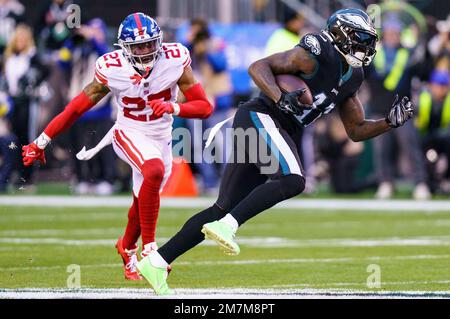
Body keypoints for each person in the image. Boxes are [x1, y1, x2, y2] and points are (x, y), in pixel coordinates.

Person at [135, 9, 414, 295]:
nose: (366, 46)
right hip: (261, 116)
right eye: (361, 38)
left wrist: (388, 123)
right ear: (342, 34)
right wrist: (281, 97)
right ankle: (229, 227)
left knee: (221, 207)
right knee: (293, 179)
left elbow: (355, 129)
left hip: (278, 128)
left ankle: (157, 261)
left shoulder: (353, 75)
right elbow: (258, 67)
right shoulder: (316, 52)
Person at [21, 13, 213, 280]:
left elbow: (205, 107)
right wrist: (41, 140)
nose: (145, 51)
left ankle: (126, 246)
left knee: (142, 200)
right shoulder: (112, 67)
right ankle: (149, 249)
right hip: (128, 130)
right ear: (124, 48)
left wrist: (173, 106)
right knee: (153, 171)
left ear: (159, 41)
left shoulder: (175, 58)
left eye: (149, 44)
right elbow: (75, 108)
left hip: (161, 135)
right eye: (138, 46)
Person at [367, 17, 431, 200]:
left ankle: (420, 183)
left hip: (402, 109)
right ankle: (385, 183)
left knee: (410, 147)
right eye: (390, 33)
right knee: (382, 150)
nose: (393, 36)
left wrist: (423, 48)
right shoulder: (374, 55)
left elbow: (423, 72)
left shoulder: (408, 54)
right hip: (380, 109)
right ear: (384, 35)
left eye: (396, 33)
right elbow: (363, 74)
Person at [59, 18, 116, 195]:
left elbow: (104, 53)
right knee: (80, 146)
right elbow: (62, 61)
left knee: (101, 147)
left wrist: (93, 39)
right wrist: (73, 39)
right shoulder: (78, 50)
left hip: (100, 109)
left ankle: (105, 179)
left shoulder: (106, 53)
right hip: (80, 108)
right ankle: (83, 178)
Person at [3, 23, 48, 189]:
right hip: (11, 103)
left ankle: (27, 176)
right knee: (12, 139)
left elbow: (44, 72)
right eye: (18, 38)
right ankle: (14, 173)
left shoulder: (32, 56)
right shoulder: (9, 57)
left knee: (27, 138)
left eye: (24, 38)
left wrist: (33, 83)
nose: (21, 41)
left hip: (28, 103)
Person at [415, 69, 450, 192]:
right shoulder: (421, 98)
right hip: (425, 138)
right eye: (439, 85)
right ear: (431, 85)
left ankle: (446, 180)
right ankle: (424, 182)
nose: (441, 89)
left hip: (443, 139)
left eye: (444, 85)